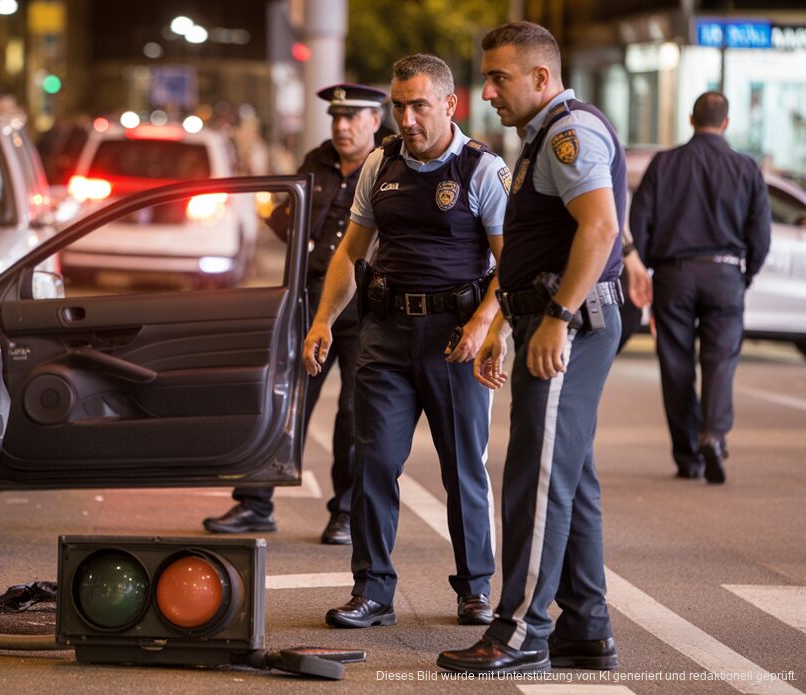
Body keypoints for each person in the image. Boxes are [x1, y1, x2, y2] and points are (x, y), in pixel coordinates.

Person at [438, 21, 626, 674]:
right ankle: (587, 628)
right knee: (569, 476)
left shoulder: (569, 133)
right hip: (547, 318)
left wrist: (557, 318)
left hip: (568, 322)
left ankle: (520, 631)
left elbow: (600, 228)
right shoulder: (543, 134)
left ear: (541, 77)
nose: (487, 91)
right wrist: (504, 324)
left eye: (499, 77)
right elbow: (537, 244)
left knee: (536, 479)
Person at [303, 55, 508, 629]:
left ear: (449, 104)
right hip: (386, 335)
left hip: (454, 339)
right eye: (399, 106)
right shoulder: (381, 162)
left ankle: (475, 589)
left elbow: (510, 263)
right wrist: (323, 321)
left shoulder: (481, 168)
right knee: (372, 461)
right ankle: (372, 592)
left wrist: (484, 324)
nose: (408, 118)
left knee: (462, 467)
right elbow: (350, 252)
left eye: (419, 105)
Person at [202, 83, 388, 545]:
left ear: (374, 121)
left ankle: (346, 513)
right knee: (284, 400)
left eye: (351, 118)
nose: (341, 127)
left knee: (355, 414)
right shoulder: (317, 161)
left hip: (366, 306)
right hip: (314, 300)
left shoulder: (389, 164)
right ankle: (255, 504)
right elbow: (287, 217)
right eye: (336, 118)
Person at [629, 91, 771, 483]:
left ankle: (688, 456)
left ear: (690, 120)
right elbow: (761, 234)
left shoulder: (664, 163)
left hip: (673, 276)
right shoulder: (746, 168)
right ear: (727, 123)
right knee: (720, 359)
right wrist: (745, 276)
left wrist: (645, 269)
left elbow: (639, 222)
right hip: (725, 274)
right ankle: (714, 433)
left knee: (675, 362)